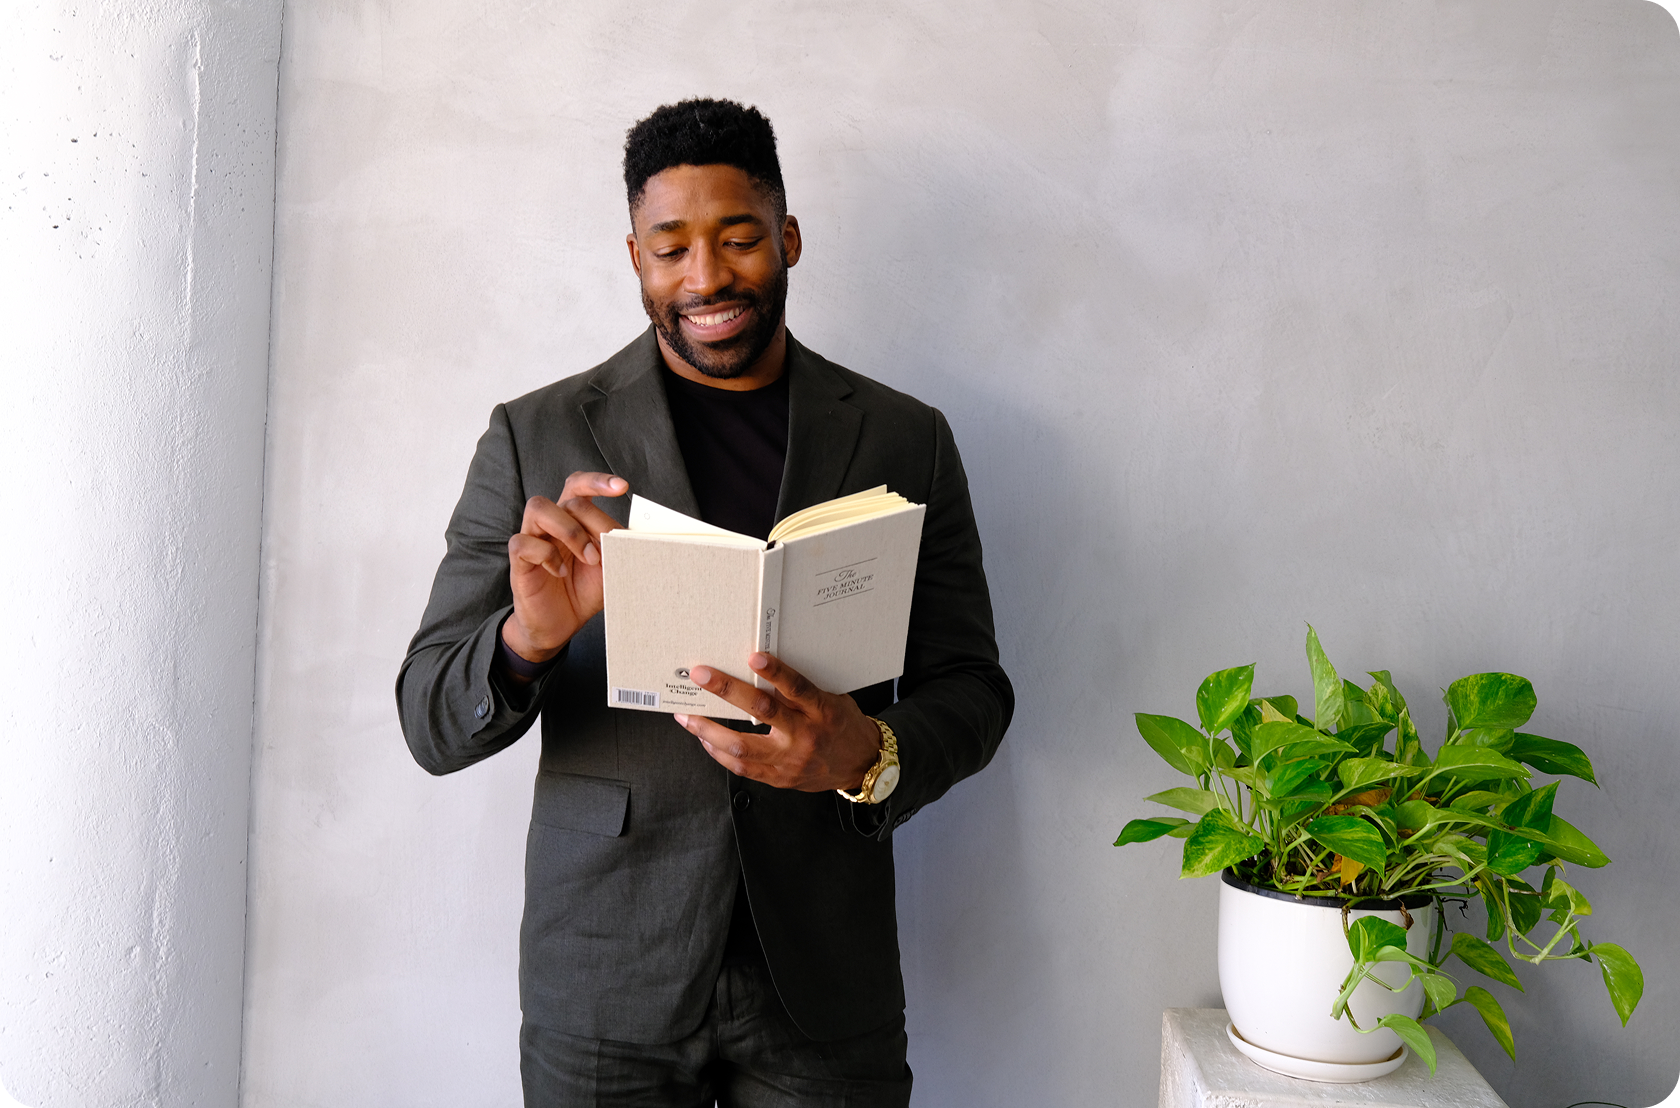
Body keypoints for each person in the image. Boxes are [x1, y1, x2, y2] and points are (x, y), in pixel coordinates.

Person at [396, 98, 1013, 1108]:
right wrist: (526, 640)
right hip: (605, 974)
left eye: (737, 240)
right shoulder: (535, 435)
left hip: (823, 973)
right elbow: (428, 717)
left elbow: (973, 688)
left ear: (789, 238)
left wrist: (865, 753)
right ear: (634, 257)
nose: (707, 278)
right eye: (671, 248)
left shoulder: (908, 438)